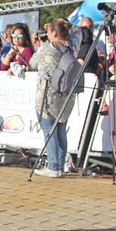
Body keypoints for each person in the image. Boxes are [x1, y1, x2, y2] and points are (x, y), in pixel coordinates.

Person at [31, 20, 80, 179]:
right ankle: (60, 166)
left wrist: (41, 46)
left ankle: (53, 166)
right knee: (60, 131)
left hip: (48, 96)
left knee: (49, 130)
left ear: (53, 33)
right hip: (66, 95)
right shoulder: (71, 46)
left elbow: (33, 63)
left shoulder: (48, 49)